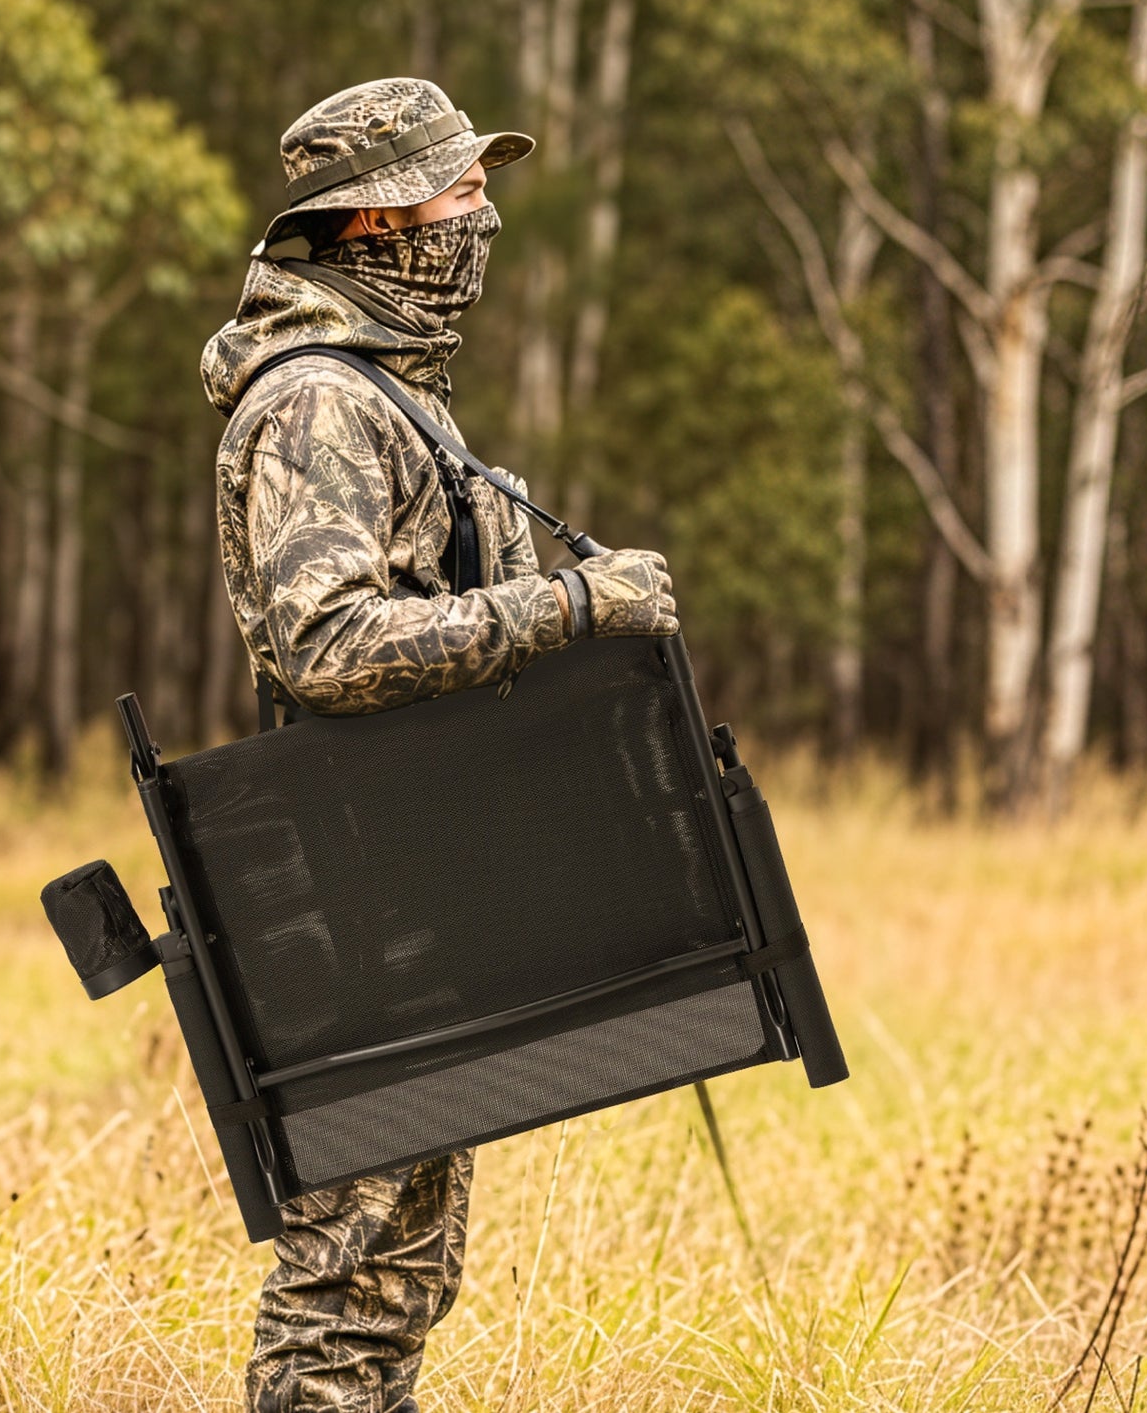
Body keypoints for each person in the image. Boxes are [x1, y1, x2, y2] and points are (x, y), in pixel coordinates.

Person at [199, 77, 678, 1413]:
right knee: (348, 1275)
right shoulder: (315, 402)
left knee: (400, 1269)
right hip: (350, 889)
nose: (486, 218)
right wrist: (570, 605)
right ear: (376, 222)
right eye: (461, 192)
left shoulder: (385, 392)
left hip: (410, 873)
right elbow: (328, 645)